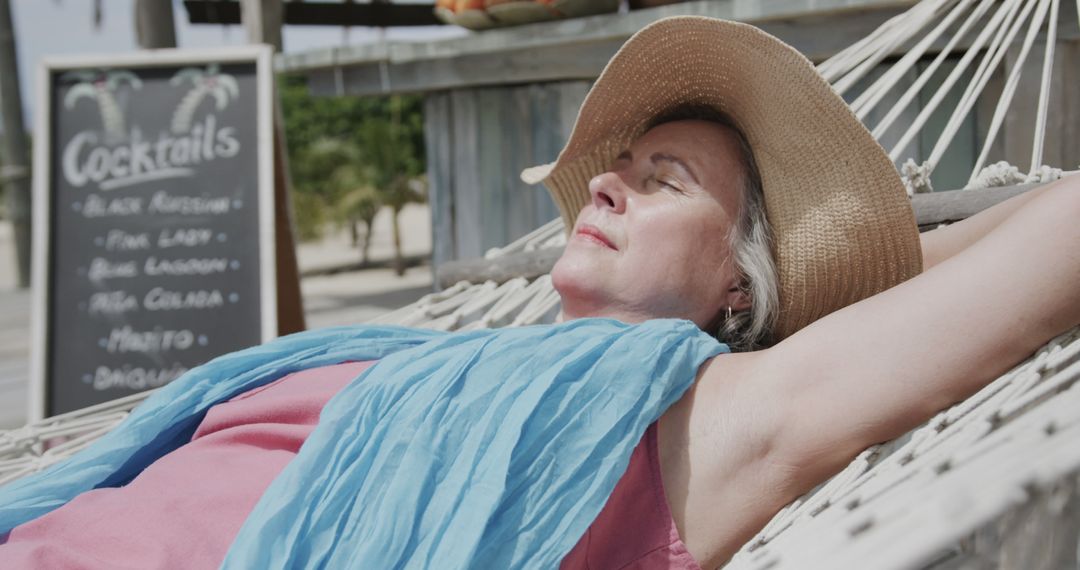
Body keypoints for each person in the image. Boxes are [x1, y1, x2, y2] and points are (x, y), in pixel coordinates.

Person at [2, 16, 1079, 570]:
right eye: (622, 166)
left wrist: (832, 278)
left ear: (738, 290)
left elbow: (1034, 256)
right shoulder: (416, 361)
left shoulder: (692, 429)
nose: (604, 178)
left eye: (666, 180)